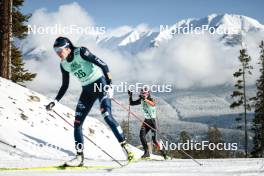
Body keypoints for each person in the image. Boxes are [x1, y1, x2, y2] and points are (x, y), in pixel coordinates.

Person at [45, 36, 134, 166]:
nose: (58, 53)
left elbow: (103, 65)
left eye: (59, 49)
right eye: (55, 51)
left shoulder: (81, 52)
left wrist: (109, 85)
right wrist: (55, 101)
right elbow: (65, 86)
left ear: (68, 48)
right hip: (86, 91)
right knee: (77, 123)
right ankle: (79, 157)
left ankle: (126, 147)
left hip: (100, 84)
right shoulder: (63, 64)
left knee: (107, 116)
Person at [128, 87, 167, 159]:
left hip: (152, 122)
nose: (143, 95)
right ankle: (146, 152)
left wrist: (145, 99)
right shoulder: (141, 100)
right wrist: (130, 95)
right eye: (142, 93)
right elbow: (131, 103)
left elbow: (153, 104)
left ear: (148, 93)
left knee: (154, 140)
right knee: (141, 135)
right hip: (146, 121)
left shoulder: (151, 99)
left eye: (145, 94)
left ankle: (163, 153)